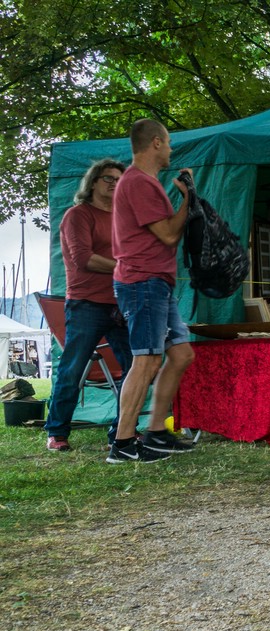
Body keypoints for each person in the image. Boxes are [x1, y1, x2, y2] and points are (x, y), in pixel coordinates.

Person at [108, 118, 198, 464]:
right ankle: (123, 443)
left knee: (181, 354)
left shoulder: (145, 183)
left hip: (157, 280)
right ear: (157, 143)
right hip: (142, 281)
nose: (172, 149)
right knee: (146, 359)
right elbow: (169, 235)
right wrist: (187, 198)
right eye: (170, 142)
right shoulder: (139, 183)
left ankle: (157, 432)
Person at [44, 160, 135, 451]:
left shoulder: (125, 218)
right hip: (86, 304)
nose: (113, 183)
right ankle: (57, 432)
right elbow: (84, 258)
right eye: (107, 178)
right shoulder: (77, 215)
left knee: (136, 368)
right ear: (93, 182)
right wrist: (126, 267)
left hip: (122, 302)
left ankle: (122, 432)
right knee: (72, 369)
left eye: (119, 180)